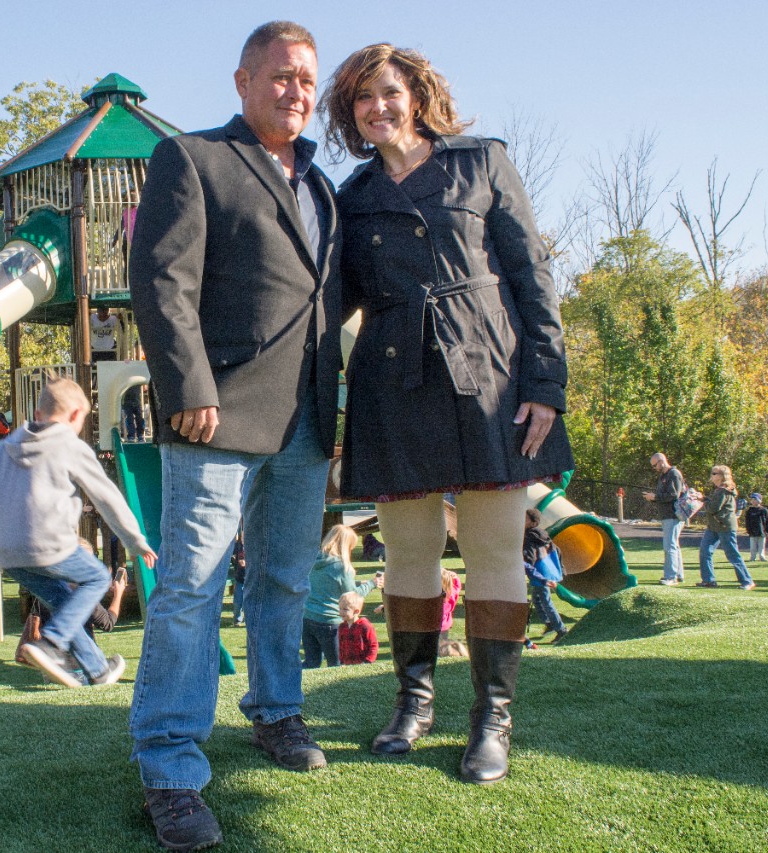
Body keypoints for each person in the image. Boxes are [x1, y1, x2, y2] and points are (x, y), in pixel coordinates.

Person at [321, 43, 573, 785]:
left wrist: (546, 381)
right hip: (392, 382)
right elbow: (332, 304)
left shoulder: (481, 162)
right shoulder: (353, 194)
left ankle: (491, 718)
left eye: (389, 92)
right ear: (351, 113)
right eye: (363, 99)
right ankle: (413, 702)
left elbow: (533, 275)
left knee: (495, 549)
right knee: (408, 552)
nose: (378, 108)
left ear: (417, 95)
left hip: (491, 374)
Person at [127, 21, 343, 846]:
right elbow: (161, 278)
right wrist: (188, 386)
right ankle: (171, 763)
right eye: (283, 76)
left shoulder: (324, 188)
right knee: (192, 588)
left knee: (284, 580)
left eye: (307, 80)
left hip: (307, 419)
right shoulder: (193, 157)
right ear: (243, 81)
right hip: (215, 415)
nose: (297, 91)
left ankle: (277, 711)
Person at [0, 378, 156, 689]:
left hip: (8, 553)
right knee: (98, 577)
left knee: (63, 601)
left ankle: (97, 669)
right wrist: (135, 541)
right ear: (74, 415)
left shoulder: (5, 448)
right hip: (49, 544)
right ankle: (53, 642)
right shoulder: (70, 445)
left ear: (37, 412)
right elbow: (107, 496)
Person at [303, 524, 381, 668]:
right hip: (329, 622)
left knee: (311, 664)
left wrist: (357, 582)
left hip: (308, 618)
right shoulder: (341, 567)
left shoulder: (314, 559)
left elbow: (328, 584)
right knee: (336, 665)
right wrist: (371, 584)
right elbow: (352, 597)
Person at [697, 465, 756, 590]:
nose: (711, 475)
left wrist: (703, 501)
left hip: (725, 526)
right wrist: (704, 499)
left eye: (714, 473)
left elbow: (713, 508)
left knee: (732, 554)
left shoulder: (723, 491)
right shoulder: (719, 490)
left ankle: (747, 581)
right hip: (714, 526)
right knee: (705, 551)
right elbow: (714, 504)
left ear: (721, 476)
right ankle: (708, 580)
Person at [643, 453, 687, 585]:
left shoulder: (673, 474)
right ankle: (678, 574)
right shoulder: (664, 476)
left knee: (670, 546)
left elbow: (674, 495)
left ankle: (671, 577)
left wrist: (655, 497)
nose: (654, 468)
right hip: (666, 515)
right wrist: (653, 497)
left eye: (655, 465)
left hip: (673, 515)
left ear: (662, 461)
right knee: (674, 545)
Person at [522, 509, 566, 640]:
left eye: (525, 519)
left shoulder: (529, 537)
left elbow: (528, 560)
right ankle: (550, 624)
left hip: (540, 576)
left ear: (533, 523)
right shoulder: (543, 534)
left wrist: (539, 578)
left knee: (546, 601)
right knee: (537, 599)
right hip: (546, 574)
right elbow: (557, 550)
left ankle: (561, 629)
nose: (522, 521)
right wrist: (561, 570)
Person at [337, 591, 379, 665]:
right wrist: (342, 661)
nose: (341, 612)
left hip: (362, 662)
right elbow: (341, 646)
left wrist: (368, 661)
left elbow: (373, 645)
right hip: (347, 664)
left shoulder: (364, 626)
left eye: (345, 609)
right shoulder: (342, 627)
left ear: (356, 611)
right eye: (340, 608)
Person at [438, 568, 465, 656]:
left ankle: (451, 651)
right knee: (441, 642)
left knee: (438, 647)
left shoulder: (437, 600)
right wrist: (455, 577)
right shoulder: (451, 594)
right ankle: (451, 648)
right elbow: (457, 587)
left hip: (436, 626)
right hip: (445, 626)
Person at [744, 493, 768, 562]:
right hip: (752, 531)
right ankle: (752, 557)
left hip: (761, 531)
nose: (753, 501)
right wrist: (748, 530)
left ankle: (762, 556)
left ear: (759, 500)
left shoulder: (764, 510)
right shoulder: (749, 511)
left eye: (755, 499)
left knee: (761, 546)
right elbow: (747, 521)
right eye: (752, 499)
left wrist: (767, 530)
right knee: (753, 546)